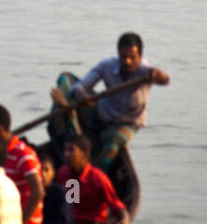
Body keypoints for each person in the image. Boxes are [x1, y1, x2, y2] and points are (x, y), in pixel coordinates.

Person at [49, 32, 170, 172]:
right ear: (118, 55)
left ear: (140, 57)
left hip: (127, 123)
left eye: (132, 58)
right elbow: (80, 86)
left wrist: (158, 75)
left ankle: (91, 174)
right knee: (65, 79)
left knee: (109, 152)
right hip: (102, 112)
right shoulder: (107, 65)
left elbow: (165, 80)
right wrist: (82, 96)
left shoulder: (146, 71)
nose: (127, 62)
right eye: (123, 57)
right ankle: (73, 131)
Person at [56, 136, 130, 224]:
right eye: (65, 150)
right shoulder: (63, 173)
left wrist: (125, 220)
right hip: (70, 223)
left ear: (84, 154)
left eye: (71, 150)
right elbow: (61, 202)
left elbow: (116, 205)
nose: (66, 154)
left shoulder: (98, 178)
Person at [37, 145, 74, 224]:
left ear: (53, 173)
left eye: (46, 170)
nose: (43, 175)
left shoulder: (60, 192)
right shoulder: (32, 192)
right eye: (40, 171)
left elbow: (65, 222)